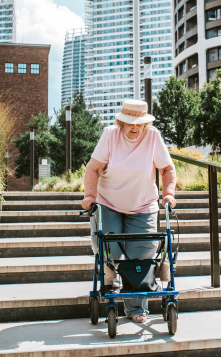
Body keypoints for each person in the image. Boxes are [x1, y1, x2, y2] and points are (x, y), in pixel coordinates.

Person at [82, 99, 177, 323]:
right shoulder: (110, 135)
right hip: (108, 201)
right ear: (121, 122)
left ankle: (136, 309)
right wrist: (89, 196)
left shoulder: (152, 136)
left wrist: (169, 194)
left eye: (139, 124)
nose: (134, 128)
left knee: (142, 256)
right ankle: (112, 286)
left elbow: (166, 168)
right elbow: (93, 168)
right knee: (109, 249)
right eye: (130, 123)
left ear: (145, 124)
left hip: (143, 205)